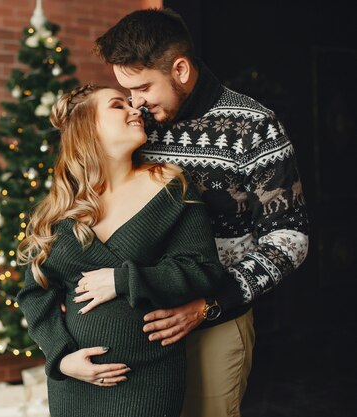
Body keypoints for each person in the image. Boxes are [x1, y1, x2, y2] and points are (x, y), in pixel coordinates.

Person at [81, 8, 309, 417]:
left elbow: (289, 240)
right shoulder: (136, 124)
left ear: (181, 69)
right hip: (136, 319)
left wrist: (208, 304)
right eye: (127, 92)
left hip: (215, 320)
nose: (136, 103)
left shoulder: (256, 127)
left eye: (144, 87)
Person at [16, 84, 227, 417]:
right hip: (75, 386)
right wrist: (62, 358)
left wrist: (123, 280)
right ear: (88, 128)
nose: (135, 110)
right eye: (118, 106)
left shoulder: (170, 187)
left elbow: (204, 269)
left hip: (148, 377)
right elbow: (34, 294)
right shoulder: (60, 209)